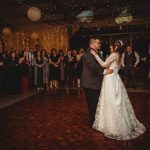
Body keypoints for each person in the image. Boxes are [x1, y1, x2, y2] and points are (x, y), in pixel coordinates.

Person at [90, 44, 146, 140]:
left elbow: (104, 64)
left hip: (110, 79)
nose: (110, 47)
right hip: (116, 79)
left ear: (115, 47)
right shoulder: (120, 56)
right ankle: (119, 123)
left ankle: (112, 126)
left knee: (110, 100)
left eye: (111, 46)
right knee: (118, 101)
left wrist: (95, 55)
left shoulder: (113, 55)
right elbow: (116, 67)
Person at [81, 38, 113, 127]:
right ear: (92, 44)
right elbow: (92, 65)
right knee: (93, 105)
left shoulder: (96, 53)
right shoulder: (88, 53)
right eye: (98, 43)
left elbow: (101, 63)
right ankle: (93, 123)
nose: (100, 44)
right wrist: (104, 72)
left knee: (96, 104)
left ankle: (96, 122)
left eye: (100, 43)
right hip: (91, 84)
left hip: (95, 84)